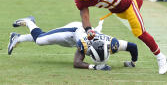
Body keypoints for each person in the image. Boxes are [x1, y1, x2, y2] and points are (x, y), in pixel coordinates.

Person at [69, 0, 167, 74]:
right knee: (137, 7)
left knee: (139, 32)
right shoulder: (80, 1)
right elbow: (84, 16)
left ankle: (161, 57)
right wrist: (88, 30)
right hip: (116, 10)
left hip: (127, 3)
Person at [8, 16, 138, 70]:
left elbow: (133, 47)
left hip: (78, 37)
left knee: (47, 37)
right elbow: (76, 63)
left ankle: (17, 38)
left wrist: (132, 62)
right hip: (72, 32)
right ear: (90, 52)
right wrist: (94, 67)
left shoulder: (112, 44)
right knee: (40, 40)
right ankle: (30, 22)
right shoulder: (84, 44)